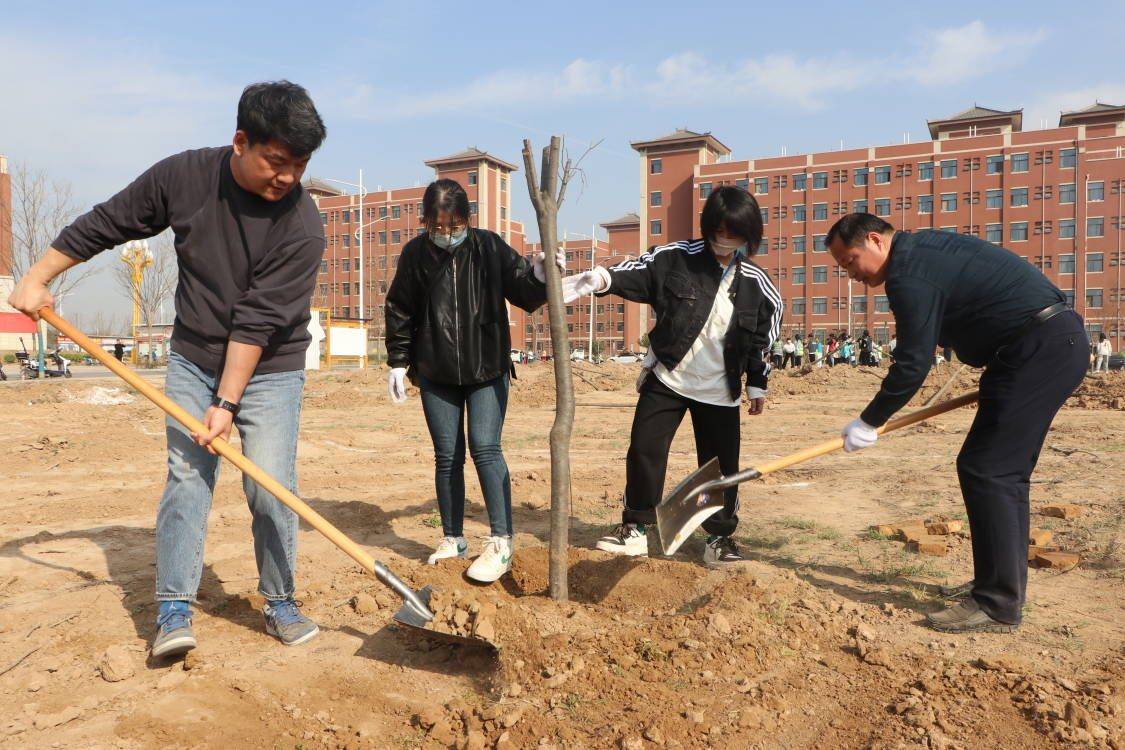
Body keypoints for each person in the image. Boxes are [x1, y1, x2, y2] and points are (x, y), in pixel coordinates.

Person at [8, 81, 328, 657]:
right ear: (240, 141)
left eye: (299, 166)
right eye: (277, 162)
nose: (288, 177)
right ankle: (174, 606)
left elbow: (257, 324)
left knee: (271, 488)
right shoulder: (183, 177)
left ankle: (280, 599)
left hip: (272, 367)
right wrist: (39, 275)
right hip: (194, 355)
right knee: (187, 480)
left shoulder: (302, 224)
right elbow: (109, 221)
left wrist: (226, 404)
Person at [828, 213, 1088, 634]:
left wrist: (869, 420)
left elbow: (913, 363)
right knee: (992, 469)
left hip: (1039, 349)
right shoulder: (922, 250)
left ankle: (998, 603)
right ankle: (994, 584)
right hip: (1036, 347)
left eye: (851, 261)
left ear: (875, 240)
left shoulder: (908, 274)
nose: (851, 274)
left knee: (992, 470)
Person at [559, 186, 781, 565]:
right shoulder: (678, 258)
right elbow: (638, 271)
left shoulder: (759, 286)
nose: (726, 241)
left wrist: (757, 382)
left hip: (720, 389)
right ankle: (635, 528)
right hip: (670, 377)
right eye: (720, 232)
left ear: (749, 235)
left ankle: (719, 539)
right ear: (708, 227)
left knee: (720, 467)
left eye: (736, 234)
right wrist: (600, 279)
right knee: (645, 449)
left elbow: (763, 338)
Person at [384, 179, 560, 583]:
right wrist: (398, 360)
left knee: (485, 447)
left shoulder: (487, 246)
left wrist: (538, 272)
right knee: (447, 456)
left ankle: (501, 539)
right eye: (438, 227)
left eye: (454, 225)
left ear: (467, 220)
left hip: (487, 370)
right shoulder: (415, 254)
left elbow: (523, 290)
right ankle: (453, 537)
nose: (447, 234)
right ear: (426, 222)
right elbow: (400, 308)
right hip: (435, 372)